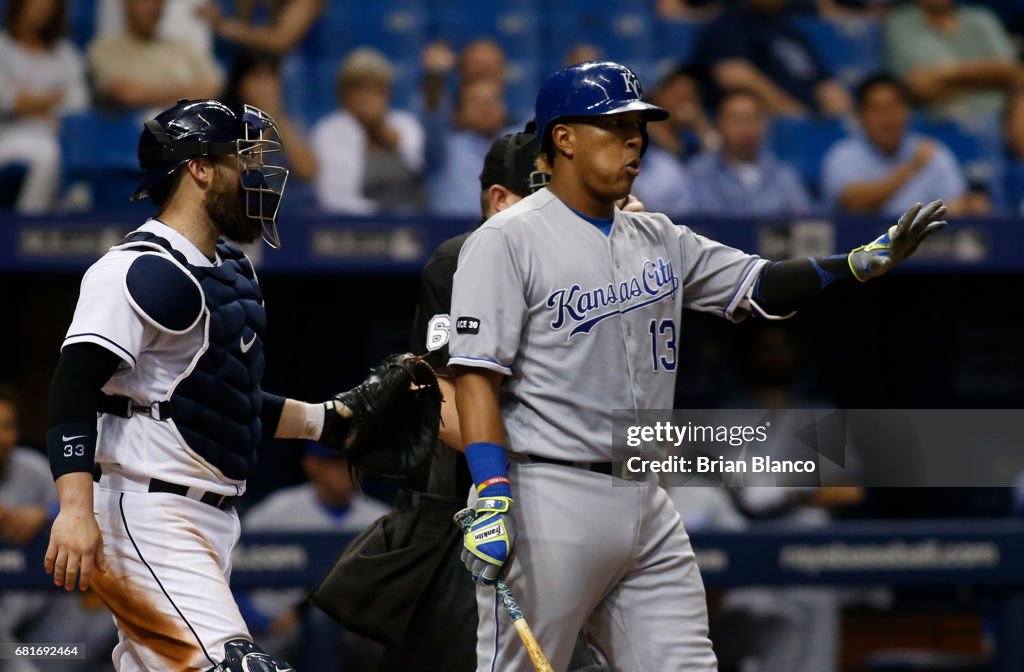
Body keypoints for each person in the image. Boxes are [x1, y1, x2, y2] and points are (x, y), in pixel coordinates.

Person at [448, 60, 946, 671]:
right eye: (615, 126)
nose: (635, 140)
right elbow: (475, 376)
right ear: (564, 138)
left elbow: (760, 283)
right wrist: (492, 494)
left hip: (646, 497)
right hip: (549, 494)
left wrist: (855, 265)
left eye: (640, 127)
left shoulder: (658, 235)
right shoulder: (506, 239)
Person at [42, 98, 411, 672]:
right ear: (199, 168)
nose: (256, 176)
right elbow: (73, 386)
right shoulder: (136, 269)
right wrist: (74, 508)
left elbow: (220, 399)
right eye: (243, 159)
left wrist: (327, 421)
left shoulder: (231, 269)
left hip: (207, 519)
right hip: (147, 512)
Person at [237, 444, 389, 665]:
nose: (347, 469)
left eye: (353, 461)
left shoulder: (382, 519)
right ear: (311, 465)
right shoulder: (275, 512)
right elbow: (226, 576)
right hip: (278, 627)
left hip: (357, 633)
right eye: (335, 461)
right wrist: (260, 620)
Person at [822, 73, 968, 216]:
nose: (888, 118)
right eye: (877, 109)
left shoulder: (932, 152)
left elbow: (956, 205)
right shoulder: (843, 155)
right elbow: (854, 203)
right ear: (861, 116)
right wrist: (911, 168)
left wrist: (964, 207)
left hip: (923, 239)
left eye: (894, 107)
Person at [688, 0, 852, 117]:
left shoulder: (791, 31)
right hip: (767, 127)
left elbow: (824, 82)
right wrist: (790, 111)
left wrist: (840, 113)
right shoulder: (728, 23)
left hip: (807, 122)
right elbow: (733, 75)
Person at [311, 47, 426, 214]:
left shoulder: (405, 123)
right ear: (344, 94)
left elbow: (419, 168)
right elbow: (333, 196)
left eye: (377, 89)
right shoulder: (328, 131)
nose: (369, 97)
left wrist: (379, 127)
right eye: (361, 89)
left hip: (413, 216)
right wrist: (380, 215)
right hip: (353, 223)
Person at [0, 0, 89, 213]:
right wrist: (54, 98)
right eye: (35, 5)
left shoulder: (65, 53)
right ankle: (28, 224)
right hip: (8, 135)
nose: (41, 12)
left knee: (81, 185)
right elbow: (8, 101)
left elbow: (78, 104)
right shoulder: (3, 47)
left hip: (56, 133)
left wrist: (28, 100)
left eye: (48, 7)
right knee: (48, 155)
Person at [885, 0, 1019, 122]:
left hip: (1002, 115)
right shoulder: (900, 23)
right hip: (938, 120)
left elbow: (1012, 73)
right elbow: (920, 87)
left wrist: (947, 74)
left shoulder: (982, 19)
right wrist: (985, 76)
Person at [688, 88, 814, 216]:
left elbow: (804, 224)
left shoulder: (784, 176)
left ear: (764, 125)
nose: (745, 127)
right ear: (720, 124)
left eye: (752, 119)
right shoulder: (698, 174)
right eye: (736, 120)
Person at [88, 0, 222, 113]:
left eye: (159, 1)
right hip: (129, 137)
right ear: (127, 3)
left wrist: (150, 94)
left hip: (187, 137)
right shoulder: (104, 49)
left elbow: (211, 87)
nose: (154, 8)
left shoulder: (182, 48)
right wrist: (187, 91)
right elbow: (127, 94)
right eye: (146, 1)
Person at [427, 79, 510, 217]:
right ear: (457, 113)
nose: (486, 108)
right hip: (452, 232)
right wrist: (434, 75)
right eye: (476, 102)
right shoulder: (443, 147)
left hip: (503, 231)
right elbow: (433, 113)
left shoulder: (517, 146)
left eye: (493, 100)